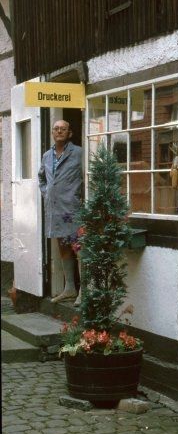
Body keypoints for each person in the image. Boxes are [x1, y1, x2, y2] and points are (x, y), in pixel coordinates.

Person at [38, 120, 82, 303]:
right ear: (52, 133)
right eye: (56, 129)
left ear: (69, 133)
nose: (59, 132)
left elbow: (87, 176)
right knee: (63, 247)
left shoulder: (79, 153)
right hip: (54, 209)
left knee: (78, 248)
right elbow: (41, 177)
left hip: (72, 209)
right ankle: (70, 288)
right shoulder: (47, 156)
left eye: (63, 129)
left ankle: (84, 292)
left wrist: (80, 198)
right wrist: (46, 192)